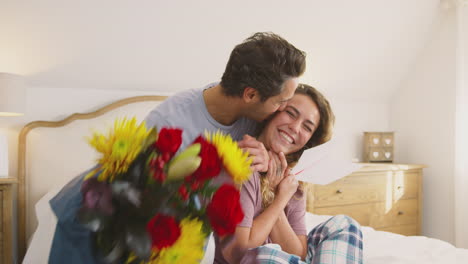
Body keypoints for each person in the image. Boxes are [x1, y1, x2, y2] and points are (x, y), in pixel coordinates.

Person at [48, 32, 306, 263]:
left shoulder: (252, 116)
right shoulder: (170, 124)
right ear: (250, 95)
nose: (282, 110)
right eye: (281, 102)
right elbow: (145, 206)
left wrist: (262, 153)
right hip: (99, 210)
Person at [215, 84, 363, 264]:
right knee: (267, 254)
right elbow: (238, 251)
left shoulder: (293, 182)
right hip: (252, 260)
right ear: (273, 112)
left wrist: (278, 192)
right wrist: (279, 200)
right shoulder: (244, 162)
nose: (295, 127)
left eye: (307, 127)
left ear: (309, 142)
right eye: (291, 113)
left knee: (344, 225)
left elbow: (298, 253)